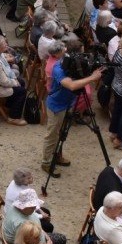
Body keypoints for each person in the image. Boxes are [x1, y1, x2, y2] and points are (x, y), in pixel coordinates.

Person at [42, 37, 103, 176]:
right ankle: (46, 162)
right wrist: (93, 78)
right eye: (82, 54)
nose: (84, 57)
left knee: (62, 132)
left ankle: (57, 155)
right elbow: (71, 85)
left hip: (68, 103)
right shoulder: (58, 68)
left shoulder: (74, 65)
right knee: (52, 135)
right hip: (56, 106)